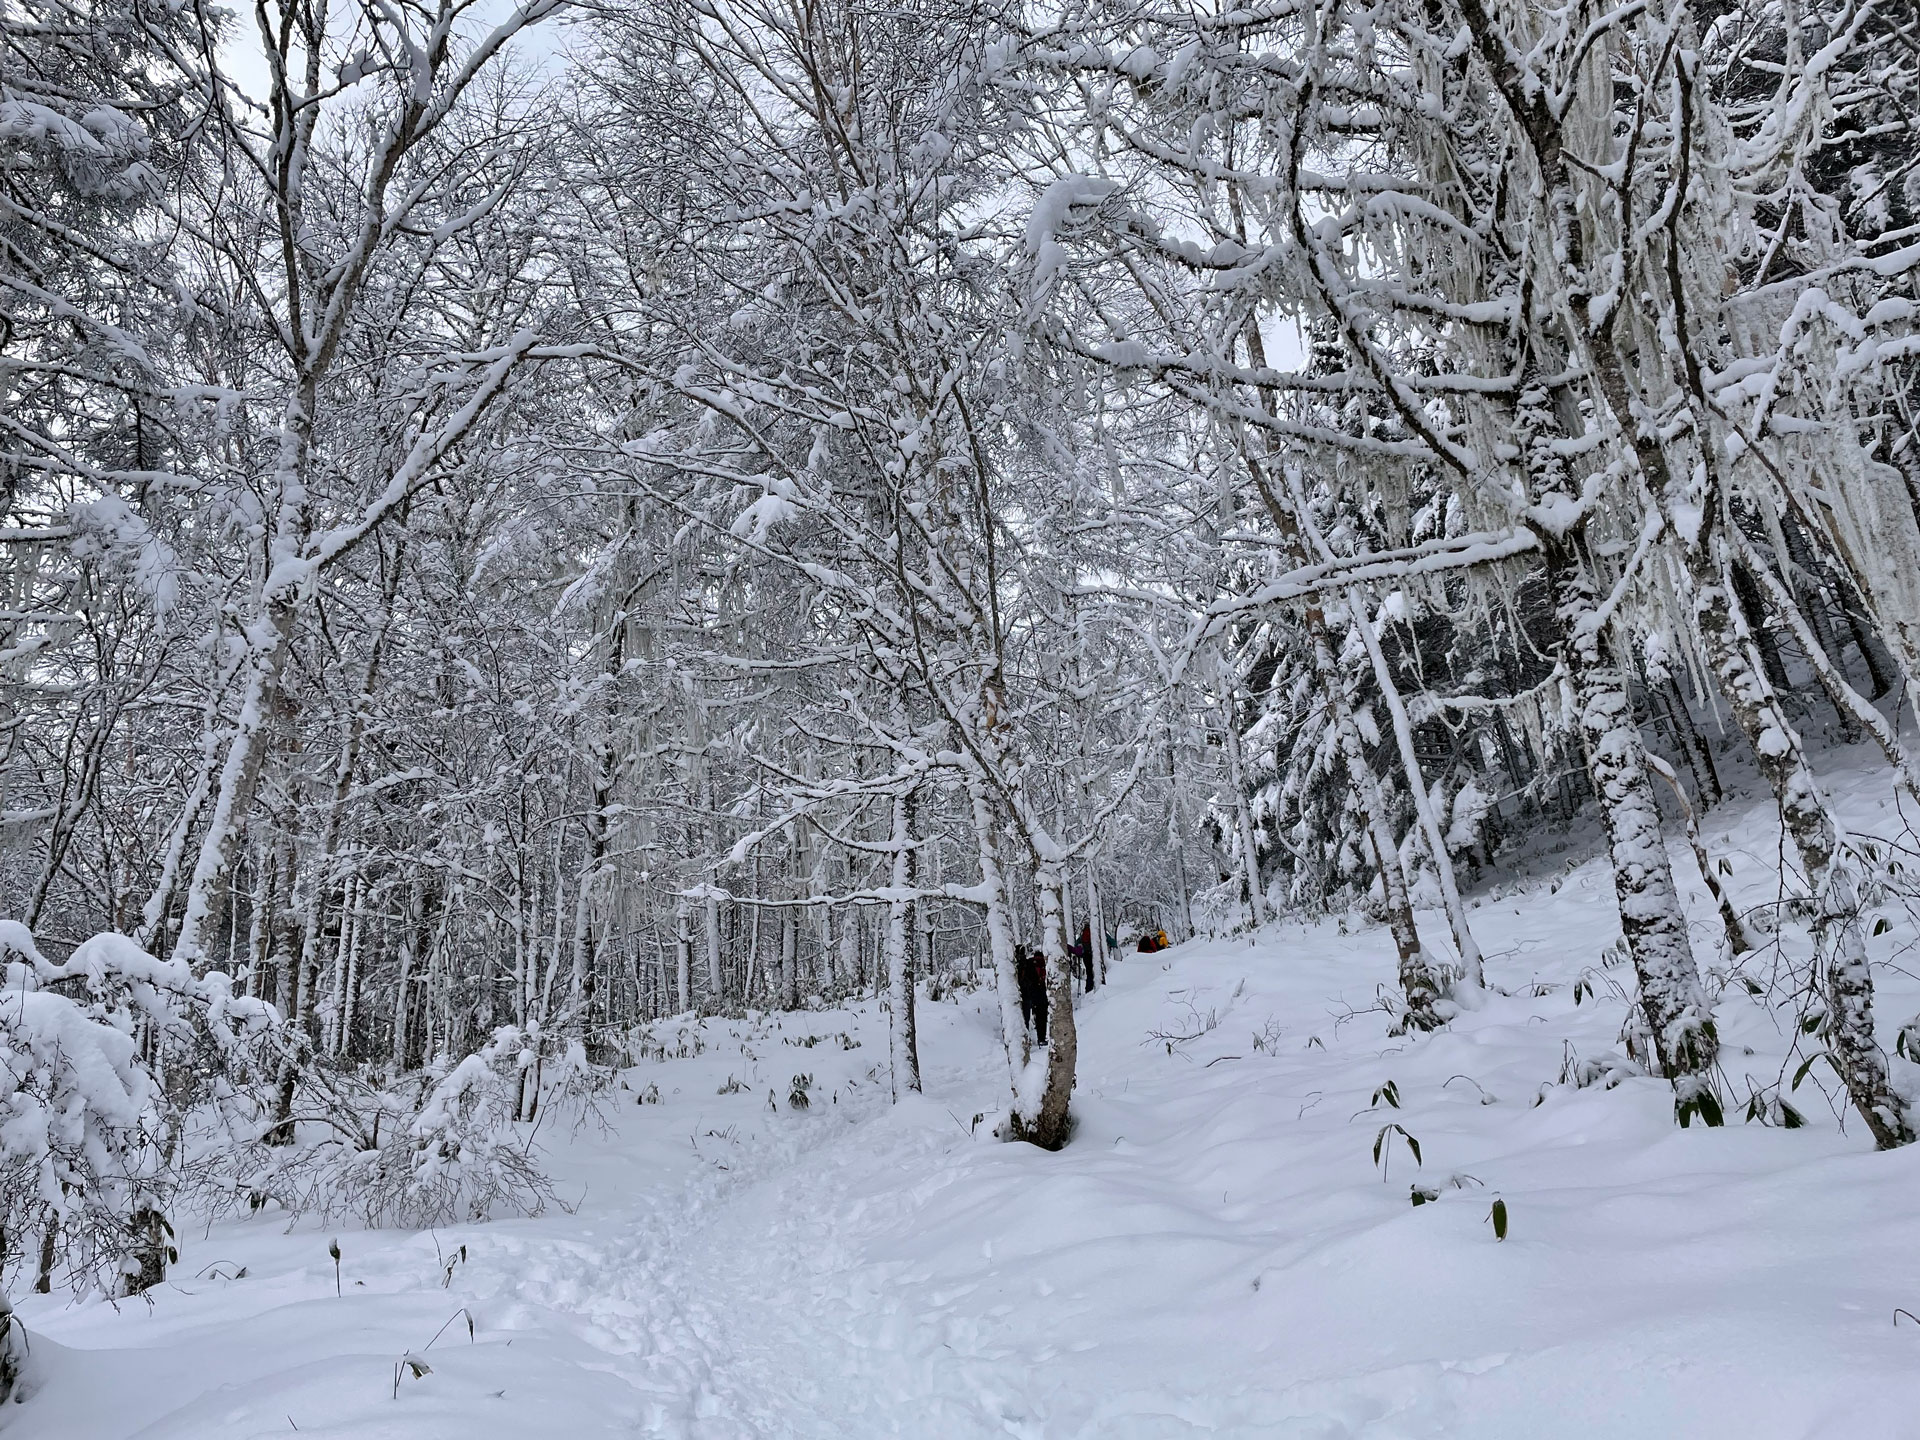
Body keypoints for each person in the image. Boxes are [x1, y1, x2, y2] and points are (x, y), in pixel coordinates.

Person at [1014, 944, 1048, 1043]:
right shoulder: (1044, 963)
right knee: (1041, 1016)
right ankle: (1041, 1038)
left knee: (1025, 1017)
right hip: (1041, 993)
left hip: (1027, 992)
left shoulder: (1027, 962)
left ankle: (1025, 1038)